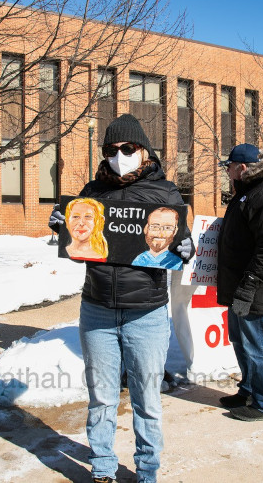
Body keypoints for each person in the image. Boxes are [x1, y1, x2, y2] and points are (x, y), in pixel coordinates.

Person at [49, 113, 194, 483]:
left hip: (146, 314)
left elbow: (180, 240)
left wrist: (185, 246)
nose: (119, 156)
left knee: (147, 399)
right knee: (101, 397)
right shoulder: (92, 191)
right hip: (97, 310)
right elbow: (81, 245)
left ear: (143, 149)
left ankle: (147, 470)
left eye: (127, 148)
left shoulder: (166, 191)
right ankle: (102, 468)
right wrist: (63, 227)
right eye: (111, 150)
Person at [216, 144, 263, 422]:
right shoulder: (248, 192)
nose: (227, 171)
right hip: (241, 286)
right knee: (241, 340)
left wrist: (249, 283)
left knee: (258, 345)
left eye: (229, 166)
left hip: (256, 288)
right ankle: (248, 389)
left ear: (242, 168)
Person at [64, 197, 108, 261]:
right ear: (67, 222)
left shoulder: (103, 255)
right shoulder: (63, 252)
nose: (81, 223)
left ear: (99, 221)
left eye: (88, 216)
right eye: (76, 217)